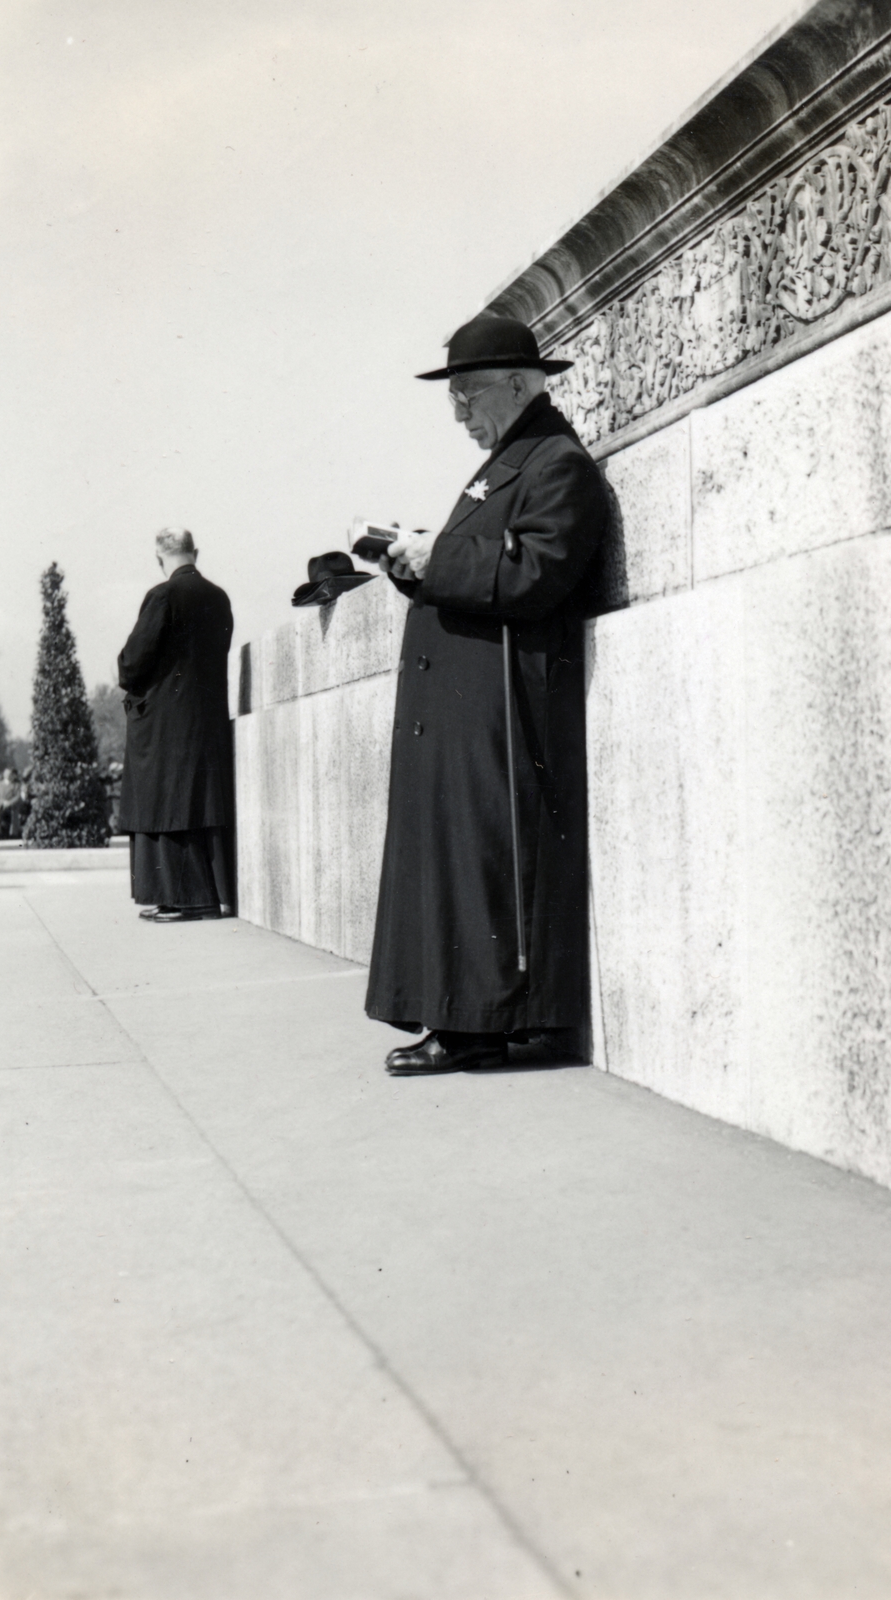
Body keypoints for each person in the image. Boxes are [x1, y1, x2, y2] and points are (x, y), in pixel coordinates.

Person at [365, 314, 609, 1075]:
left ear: (516, 383)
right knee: (455, 861)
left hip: (502, 707)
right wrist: (417, 561)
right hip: (474, 704)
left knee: (480, 862)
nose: (460, 414)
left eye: (468, 396)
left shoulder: (554, 462)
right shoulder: (517, 459)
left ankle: (477, 1025)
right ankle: (461, 1016)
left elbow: (537, 569)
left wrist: (435, 555)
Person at [117, 528, 235, 922]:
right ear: (195, 553)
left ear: (159, 558)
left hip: (166, 724)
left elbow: (132, 661)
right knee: (195, 804)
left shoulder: (162, 596)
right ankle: (204, 895)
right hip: (208, 721)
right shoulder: (219, 597)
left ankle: (184, 899)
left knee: (166, 807)